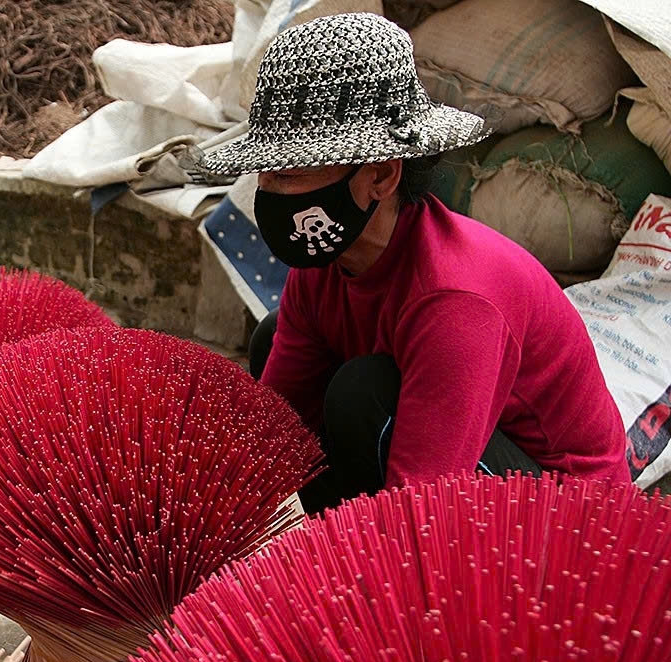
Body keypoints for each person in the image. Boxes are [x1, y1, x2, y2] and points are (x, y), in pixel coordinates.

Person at [198, 13, 629, 514]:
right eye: (265, 174)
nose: (268, 192)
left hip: (575, 516)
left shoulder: (455, 301)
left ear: (381, 176)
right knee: (272, 337)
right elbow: (272, 432)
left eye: (290, 174)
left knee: (362, 395)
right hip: (454, 470)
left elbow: (420, 501)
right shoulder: (325, 266)